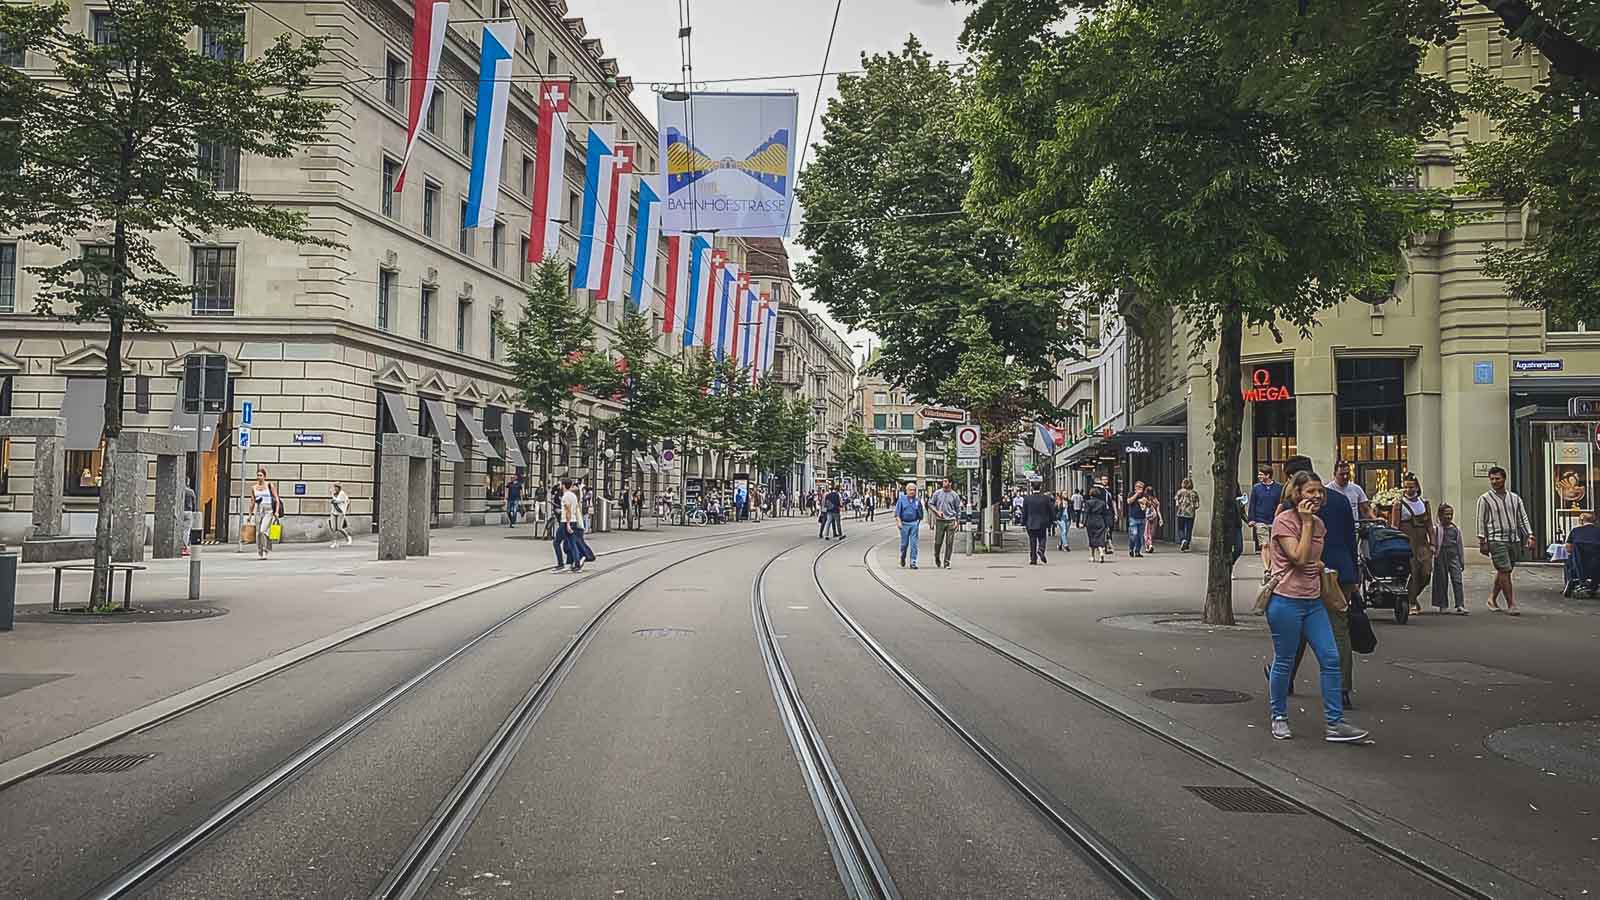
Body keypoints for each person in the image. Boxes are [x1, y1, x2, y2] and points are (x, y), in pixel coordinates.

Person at [1265, 469, 1369, 743]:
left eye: (1320, 491)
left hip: (1313, 601)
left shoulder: (1321, 524)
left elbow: (1313, 559)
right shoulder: (1284, 522)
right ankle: (1279, 717)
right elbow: (1299, 558)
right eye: (1310, 491)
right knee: (1284, 660)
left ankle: (1335, 723)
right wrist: (1308, 523)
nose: (1317, 496)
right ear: (1296, 493)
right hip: (1285, 601)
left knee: (1331, 658)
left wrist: (1320, 563)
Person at [1281, 455, 1358, 710]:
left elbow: (1287, 549)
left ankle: (1286, 678)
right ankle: (1343, 688)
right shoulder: (1339, 499)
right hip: (1341, 572)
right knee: (1339, 630)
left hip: (1309, 574)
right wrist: (1354, 574)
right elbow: (1350, 537)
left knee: (1297, 629)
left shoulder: (1292, 506)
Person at [1476, 466, 1534, 615]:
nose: (1494, 481)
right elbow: (1480, 520)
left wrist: (1529, 535)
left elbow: (1522, 518)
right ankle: (1511, 604)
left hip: (1513, 539)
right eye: (1492, 479)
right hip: (1496, 539)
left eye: (1497, 478)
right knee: (1504, 570)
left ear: (1504, 479)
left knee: (1504, 571)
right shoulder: (1485, 499)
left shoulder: (1515, 498)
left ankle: (1492, 598)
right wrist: (1482, 541)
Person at [1388, 472, 1436, 616]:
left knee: (1426, 572)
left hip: (1422, 542)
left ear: (1417, 487)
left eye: (1412, 487)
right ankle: (1411, 601)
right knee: (1413, 571)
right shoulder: (1399, 504)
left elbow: (1430, 526)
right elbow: (1395, 526)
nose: (1409, 490)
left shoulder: (1424, 503)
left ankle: (1412, 596)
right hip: (1407, 542)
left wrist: (1433, 543)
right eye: (1407, 487)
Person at [1248, 466, 1283, 581]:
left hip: (1274, 520)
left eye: (1261, 474)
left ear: (1268, 475)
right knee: (1265, 544)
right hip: (1260, 519)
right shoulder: (1256, 488)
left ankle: (1272, 567)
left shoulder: (1279, 488)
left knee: (1274, 546)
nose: (1259, 476)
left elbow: (1281, 504)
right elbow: (1252, 504)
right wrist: (1251, 519)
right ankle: (1267, 568)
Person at [1433, 503, 1469, 614]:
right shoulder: (1437, 529)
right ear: (1440, 515)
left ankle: (1460, 604)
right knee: (1441, 580)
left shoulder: (1455, 530)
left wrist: (1461, 560)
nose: (1448, 517)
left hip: (1453, 556)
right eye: (1446, 514)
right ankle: (1442, 604)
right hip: (1441, 555)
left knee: (1457, 580)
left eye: (1451, 514)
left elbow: (1459, 545)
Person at [1564, 512, 1600, 596]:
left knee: (1568, 561)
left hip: (1578, 566)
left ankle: (1572, 584)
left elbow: (1569, 549)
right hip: (1597, 566)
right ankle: (1593, 585)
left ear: (1581, 521)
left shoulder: (1575, 531)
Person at [928, 478, 961, 569]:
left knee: (949, 542)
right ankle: (937, 556)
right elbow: (930, 504)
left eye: (946, 481)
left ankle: (947, 562)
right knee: (938, 542)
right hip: (940, 521)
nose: (943, 483)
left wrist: (957, 522)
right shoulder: (937, 493)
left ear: (950, 483)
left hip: (951, 520)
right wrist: (937, 511)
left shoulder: (955, 495)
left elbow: (958, 510)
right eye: (943, 481)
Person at [251, 468, 280, 560]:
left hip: (268, 510)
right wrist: (249, 514)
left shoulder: (269, 485)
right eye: (258, 475)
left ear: (264, 476)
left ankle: (265, 550)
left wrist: (276, 511)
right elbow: (252, 501)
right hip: (258, 510)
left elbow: (277, 499)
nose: (259, 477)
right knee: (258, 533)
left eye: (261, 475)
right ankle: (259, 551)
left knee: (263, 531)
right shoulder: (254, 488)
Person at [1023, 485, 1055, 565]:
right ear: (1040, 488)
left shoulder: (1027, 499)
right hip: (1042, 523)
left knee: (1032, 541)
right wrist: (1052, 520)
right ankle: (1041, 549)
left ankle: (1033, 559)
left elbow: (1025, 512)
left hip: (1031, 523)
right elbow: (1051, 510)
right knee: (1042, 538)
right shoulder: (1045, 498)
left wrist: (1023, 522)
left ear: (1031, 488)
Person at [896, 482, 924, 568]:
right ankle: (903, 557)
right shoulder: (901, 499)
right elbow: (897, 513)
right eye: (910, 490)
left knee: (914, 544)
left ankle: (913, 562)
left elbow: (920, 514)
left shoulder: (917, 501)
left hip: (914, 523)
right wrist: (899, 522)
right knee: (904, 544)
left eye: (914, 490)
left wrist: (917, 522)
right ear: (906, 490)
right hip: (904, 524)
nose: (912, 492)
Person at [559, 478, 584, 573]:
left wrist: (568, 524)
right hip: (573, 520)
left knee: (557, 542)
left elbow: (568, 510)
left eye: (561, 484)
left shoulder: (566, 496)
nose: (560, 486)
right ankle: (575, 564)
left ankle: (562, 564)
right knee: (571, 544)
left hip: (566, 521)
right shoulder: (573, 495)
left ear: (564, 485)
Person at [1083, 486, 1111, 564]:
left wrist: (1084, 522)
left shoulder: (1088, 502)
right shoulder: (1102, 503)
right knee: (1100, 538)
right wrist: (1107, 524)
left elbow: (1086, 513)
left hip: (1091, 521)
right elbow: (1106, 514)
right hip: (1100, 521)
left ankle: (1092, 556)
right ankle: (1101, 551)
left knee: (1091, 538)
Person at [1174, 478, 1200, 552]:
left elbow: (1176, 502)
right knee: (1189, 529)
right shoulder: (1194, 493)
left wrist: (1180, 504)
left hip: (1181, 512)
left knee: (1180, 528)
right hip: (1190, 514)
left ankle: (1183, 539)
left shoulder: (1180, 492)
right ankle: (1187, 544)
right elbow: (1197, 505)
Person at [1125, 481, 1148, 558]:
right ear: (1135, 487)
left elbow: (1148, 504)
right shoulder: (1131, 493)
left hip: (1142, 517)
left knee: (1139, 536)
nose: (1139, 488)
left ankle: (1137, 551)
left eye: (1141, 487)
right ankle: (1131, 548)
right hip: (1133, 517)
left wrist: (1146, 502)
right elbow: (1129, 501)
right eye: (1138, 487)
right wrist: (1137, 494)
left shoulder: (1145, 495)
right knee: (1134, 534)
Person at [181, 481, 197, 557]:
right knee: (186, 531)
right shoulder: (191, 492)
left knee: (180, 530)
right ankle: (185, 547)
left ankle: (181, 545)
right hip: (188, 512)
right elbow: (194, 503)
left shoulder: (180, 490)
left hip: (181, 511)